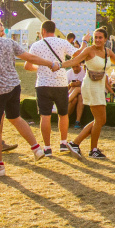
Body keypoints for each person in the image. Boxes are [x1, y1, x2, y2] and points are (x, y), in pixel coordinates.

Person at [0, 15, 60, 177]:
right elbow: (29, 57)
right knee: (15, 118)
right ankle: (36, 149)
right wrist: (50, 63)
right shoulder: (9, 43)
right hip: (14, 87)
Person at [65, 28, 115, 159]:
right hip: (91, 85)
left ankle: (76, 143)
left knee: (100, 120)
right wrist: (58, 65)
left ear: (105, 39)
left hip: (100, 86)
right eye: (96, 37)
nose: (98, 40)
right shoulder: (89, 50)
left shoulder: (108, 52)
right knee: (100, 119)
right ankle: (92, 149)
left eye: (100, 37)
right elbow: (74, 61)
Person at [24, 21, 82, 157]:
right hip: (60, 82)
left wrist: (39, 68)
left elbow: (27, 66)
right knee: (63, 114)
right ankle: (63, 143)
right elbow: (77, 55)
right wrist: (84, 43)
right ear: (54, 30)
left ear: (43, 31)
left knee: (45, 116)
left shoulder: (36, 45)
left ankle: (47, 147)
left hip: (43, 83)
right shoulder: (62, 42)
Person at [67, 63, 85, 129]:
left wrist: (80, 83)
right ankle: (67, 118)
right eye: (73, 67)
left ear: (80, 64)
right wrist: (70, 85)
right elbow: (65, 88)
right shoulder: (68, 73)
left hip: (83, 91)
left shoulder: (84, 71)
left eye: (77, 66)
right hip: (73, 93)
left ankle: (65, 102)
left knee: (79, 94)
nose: (75, 69)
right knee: (75, 99)